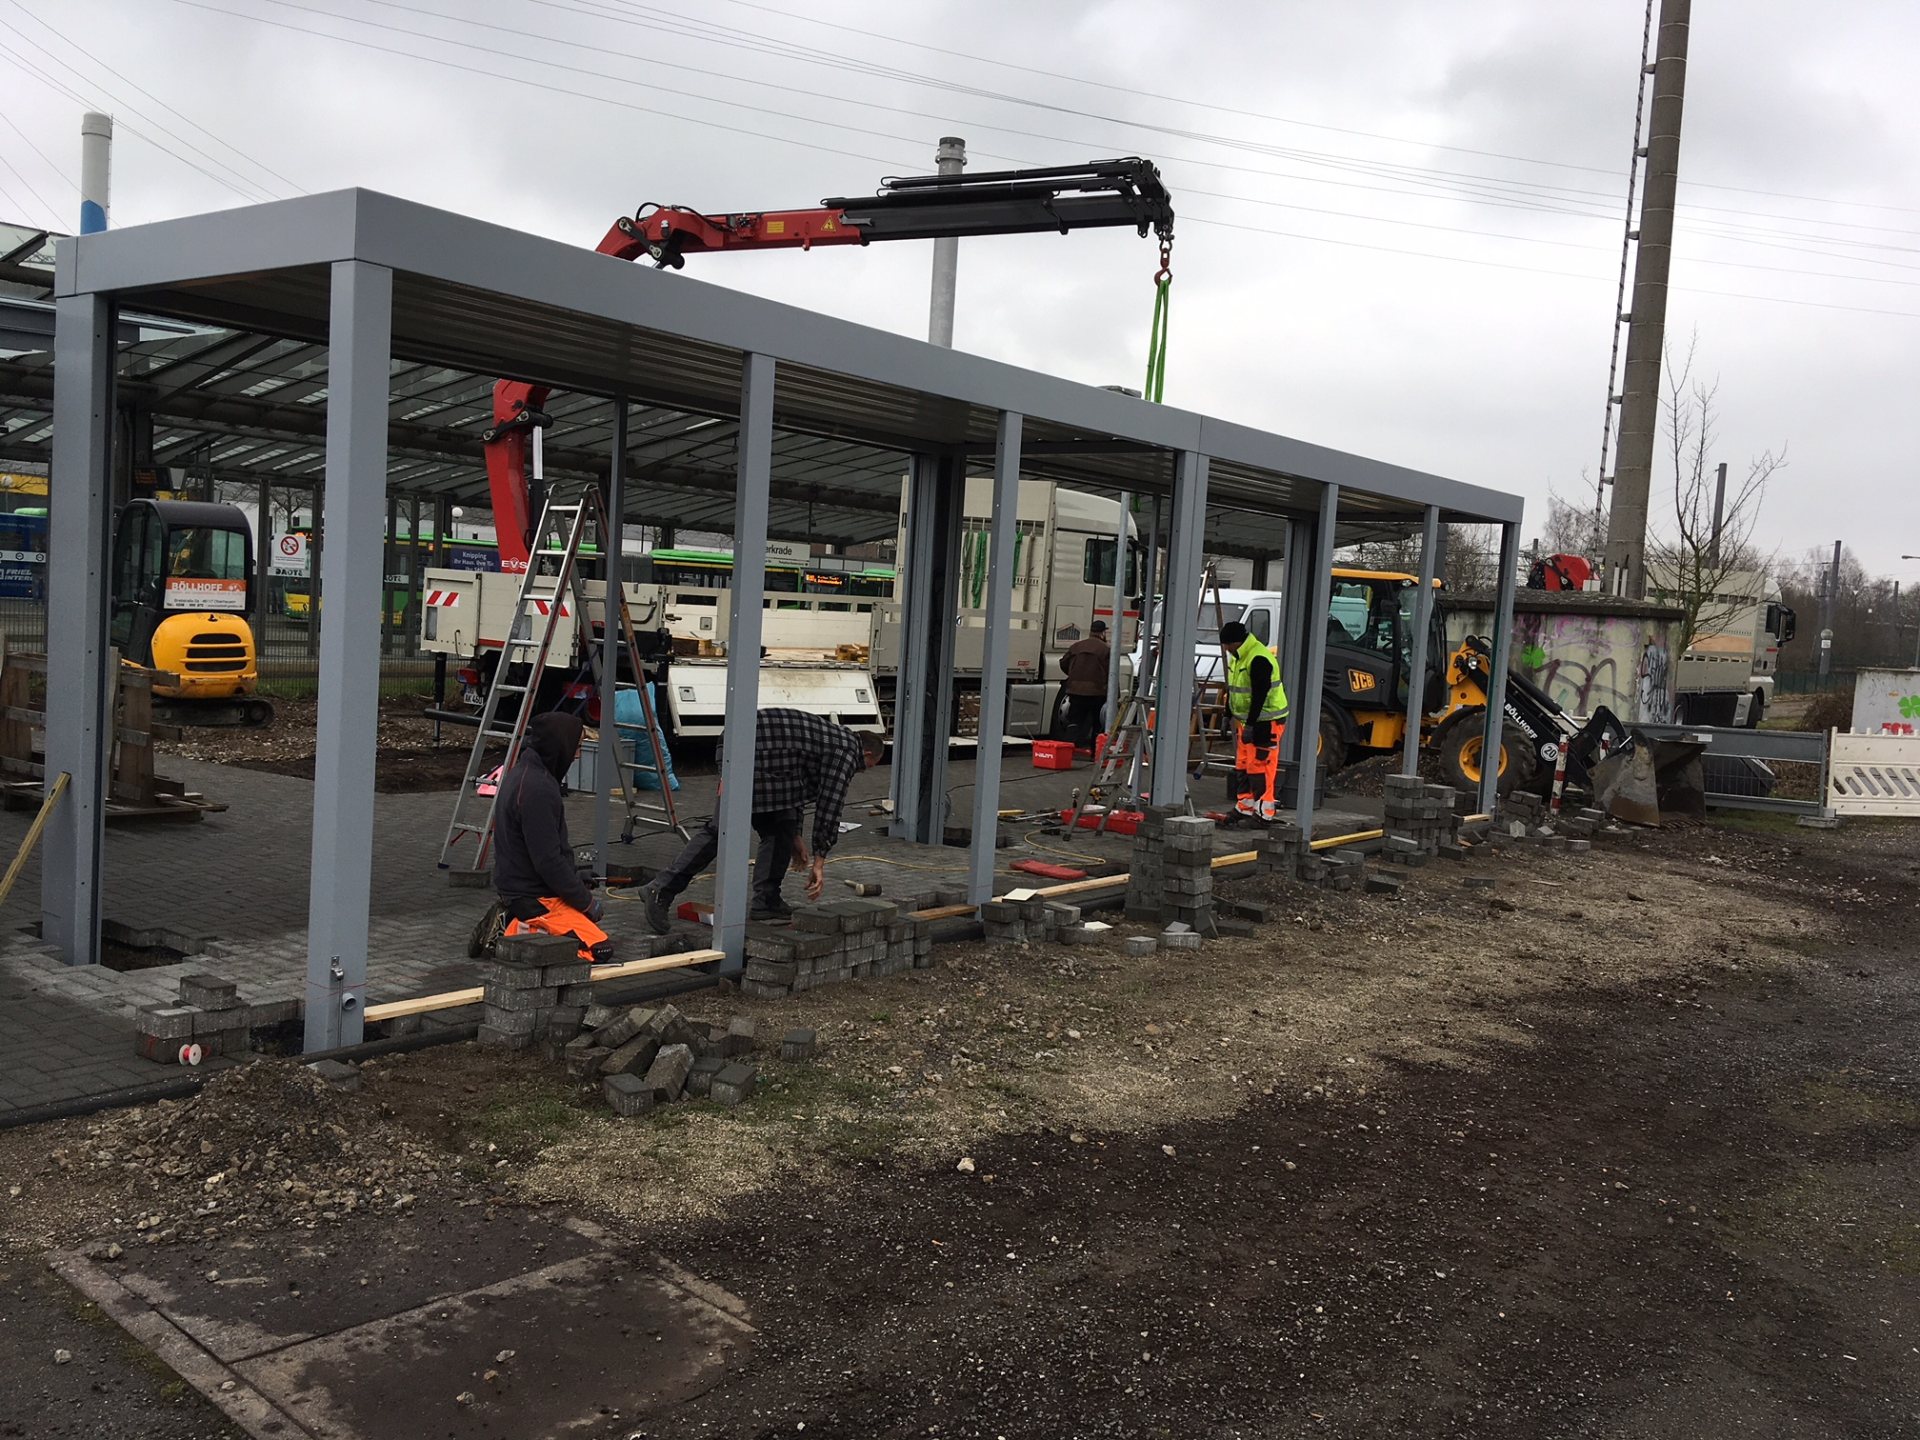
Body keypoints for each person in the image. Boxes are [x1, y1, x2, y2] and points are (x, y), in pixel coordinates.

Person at [641, 709, 886, 931]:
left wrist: (796, 837)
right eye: (866, 766)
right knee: (723, 830)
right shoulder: (845, 751)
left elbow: (796, 784)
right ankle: (661, 889)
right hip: (747, 750)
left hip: (762, 754)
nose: (861, 772)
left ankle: (766, 901)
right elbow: (831, 804)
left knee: (783, 826)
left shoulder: (832, 741)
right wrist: (820, 861)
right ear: (865, 752)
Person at [492, 711, 610, 960]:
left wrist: (575, 877)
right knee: (597, 949)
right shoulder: (538, 790)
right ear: (560, 746)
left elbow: (539, 851)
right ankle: (513, 928)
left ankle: (521, 924)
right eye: (576, 747)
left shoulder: (527, 774)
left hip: (531, 888)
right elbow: (547, 861)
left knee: (589, 937)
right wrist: (584, 901)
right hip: (533, 896)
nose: (577, 755)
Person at [1219, 618, 1290, 822]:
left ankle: (1264, 812)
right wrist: (1227, 715)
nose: (1225, 649)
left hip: (1267, 722)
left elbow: (1260, 694)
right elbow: (1233, 691)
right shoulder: (1239, 657)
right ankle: (1245, 806)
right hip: (1247, 722)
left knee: (1261, 766)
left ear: (1235, 642)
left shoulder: (1258, 658)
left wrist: (1250, 724)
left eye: (1226, 645)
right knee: (1244, 764)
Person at [1058, 620, 1112, 750]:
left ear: (1090, 631)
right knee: (1097, 723)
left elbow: (1063, 663)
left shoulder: (1076, 646)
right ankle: (1096, 753)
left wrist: (1074, 676)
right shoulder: (1105, 649)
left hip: (1075, 691)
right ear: (1103, 633)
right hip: (1097, 692)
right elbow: (1111, 672)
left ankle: (1066, 751)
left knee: (1074, 721)